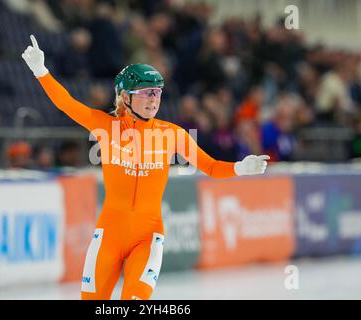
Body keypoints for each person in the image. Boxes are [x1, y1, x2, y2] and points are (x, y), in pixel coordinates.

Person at [22, 35, 269, 300]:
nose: (154, 99)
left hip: (147, 238)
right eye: (146, 93)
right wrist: (41, 71)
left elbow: (210, 166)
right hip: (109, 235)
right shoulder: (107, 127)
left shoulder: (172, 134)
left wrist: (240, 169)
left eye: (158, 92)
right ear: (125, 98)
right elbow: (67, 104)